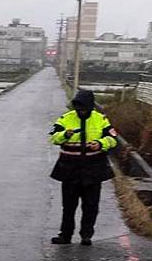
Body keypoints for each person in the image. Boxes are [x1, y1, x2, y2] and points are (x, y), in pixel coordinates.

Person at [49, 88, 118, 245]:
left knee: (91, 206)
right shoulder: (65, 119)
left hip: (93, 170)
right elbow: (54, 138)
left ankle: (86, 235)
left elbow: (113, 138)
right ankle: (65, 235)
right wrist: (65, 135)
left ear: (90, 107)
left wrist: (100, 143)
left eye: (84, 108)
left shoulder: (101, 119)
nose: (80, 111)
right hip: (69, 169)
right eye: (78, 107)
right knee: (68, 206)